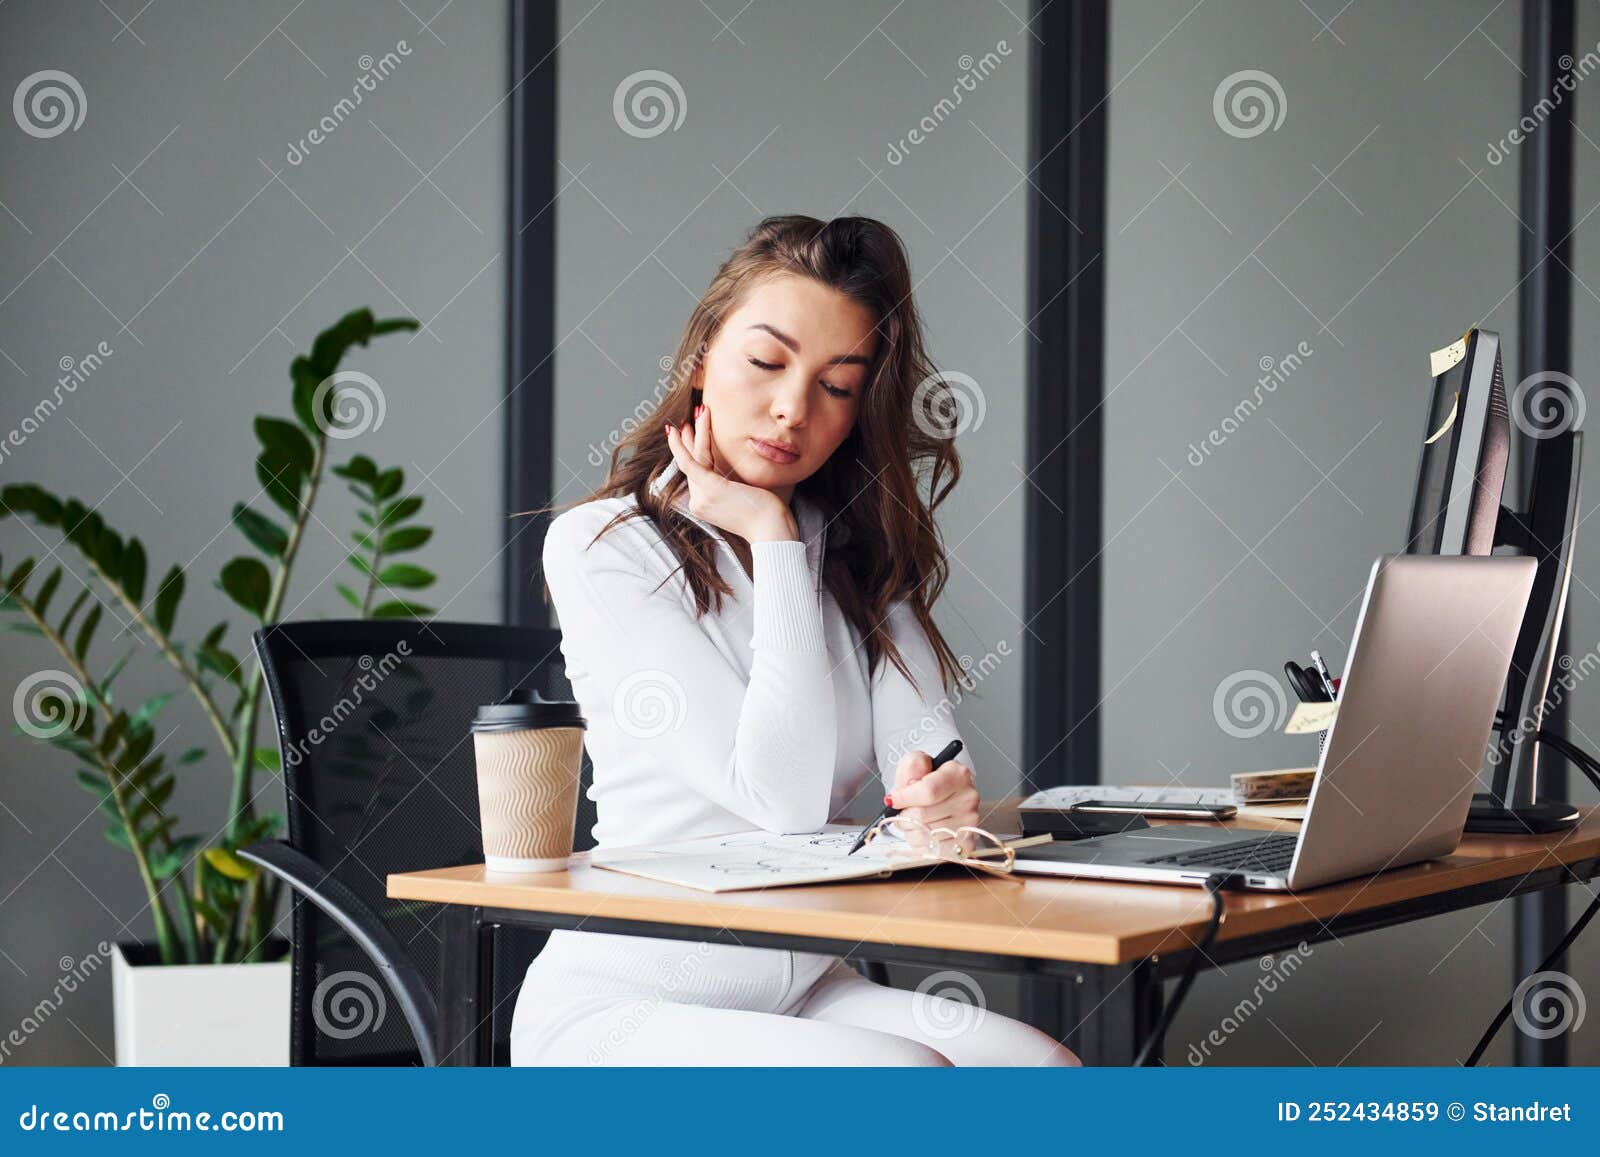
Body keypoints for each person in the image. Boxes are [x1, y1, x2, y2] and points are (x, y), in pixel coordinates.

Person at [510, 215, 1079, 1067]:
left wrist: (940, 807)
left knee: (1041, 1070)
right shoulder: (604, 546)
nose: (792, 408)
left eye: (837, 385)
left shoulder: (851, 557)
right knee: (902, 1076)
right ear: (704, 352)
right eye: (768, 363)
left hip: (804, 987)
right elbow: (775, 796)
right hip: (623, 1007)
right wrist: (774, 544)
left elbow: (930, 761)